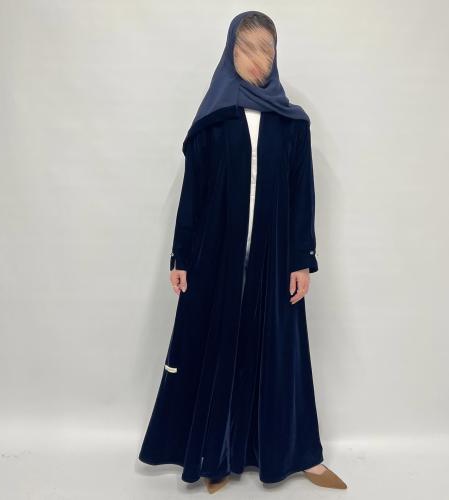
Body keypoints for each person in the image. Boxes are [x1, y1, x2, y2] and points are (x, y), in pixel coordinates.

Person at [138, 10, 347, 493]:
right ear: (230, 51)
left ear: (276, 56)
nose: (256, 59)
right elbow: (194, 194)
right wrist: (181, 256)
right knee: (219, 349)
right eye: (247, 47)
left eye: (265, 49)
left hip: (275, 260)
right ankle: (218, 456)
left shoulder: (291, 124)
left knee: (281, 354)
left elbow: (302, 196)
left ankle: (301, 455)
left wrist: (302, 259)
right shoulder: (214, 122)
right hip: (216, 259)